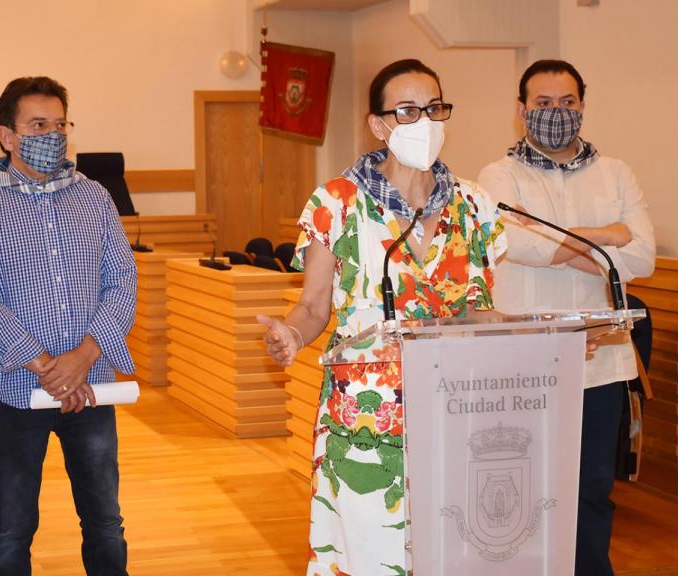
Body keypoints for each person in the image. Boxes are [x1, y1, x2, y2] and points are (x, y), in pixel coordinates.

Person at [258, 59, 507, 576]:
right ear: (379, 125)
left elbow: (476, 311)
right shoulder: (338, 203)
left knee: (455, 548)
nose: (426, 122)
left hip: (456, 407)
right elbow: (313, 307)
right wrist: (292, 335)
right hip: (367, 419)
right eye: (408, 111)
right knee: (370, 554)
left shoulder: (474, 205)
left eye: (434, 108)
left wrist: (550, 343)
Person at [477, 59, 656, 576]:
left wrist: (558, 240)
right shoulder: (499, 174)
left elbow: (641, 258)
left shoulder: (616, 172)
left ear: (583, 104)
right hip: (523, 363)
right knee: (525, 488)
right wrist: (604, 235)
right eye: (543, 104)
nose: (557, 113)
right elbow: (513, 241)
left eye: (567, 103)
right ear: (521, 110)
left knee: (592, 487)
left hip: (600, 363)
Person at [0, 76, 135, 576]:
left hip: (93, 388)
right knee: (13, 528)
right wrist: (47, 368)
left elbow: (122, 280)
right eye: (37, 125)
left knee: (105, 522)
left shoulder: (95, 198)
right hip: (15, 392)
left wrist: (83, 358)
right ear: (6, 135)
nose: (51, 134)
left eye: (59, 124)